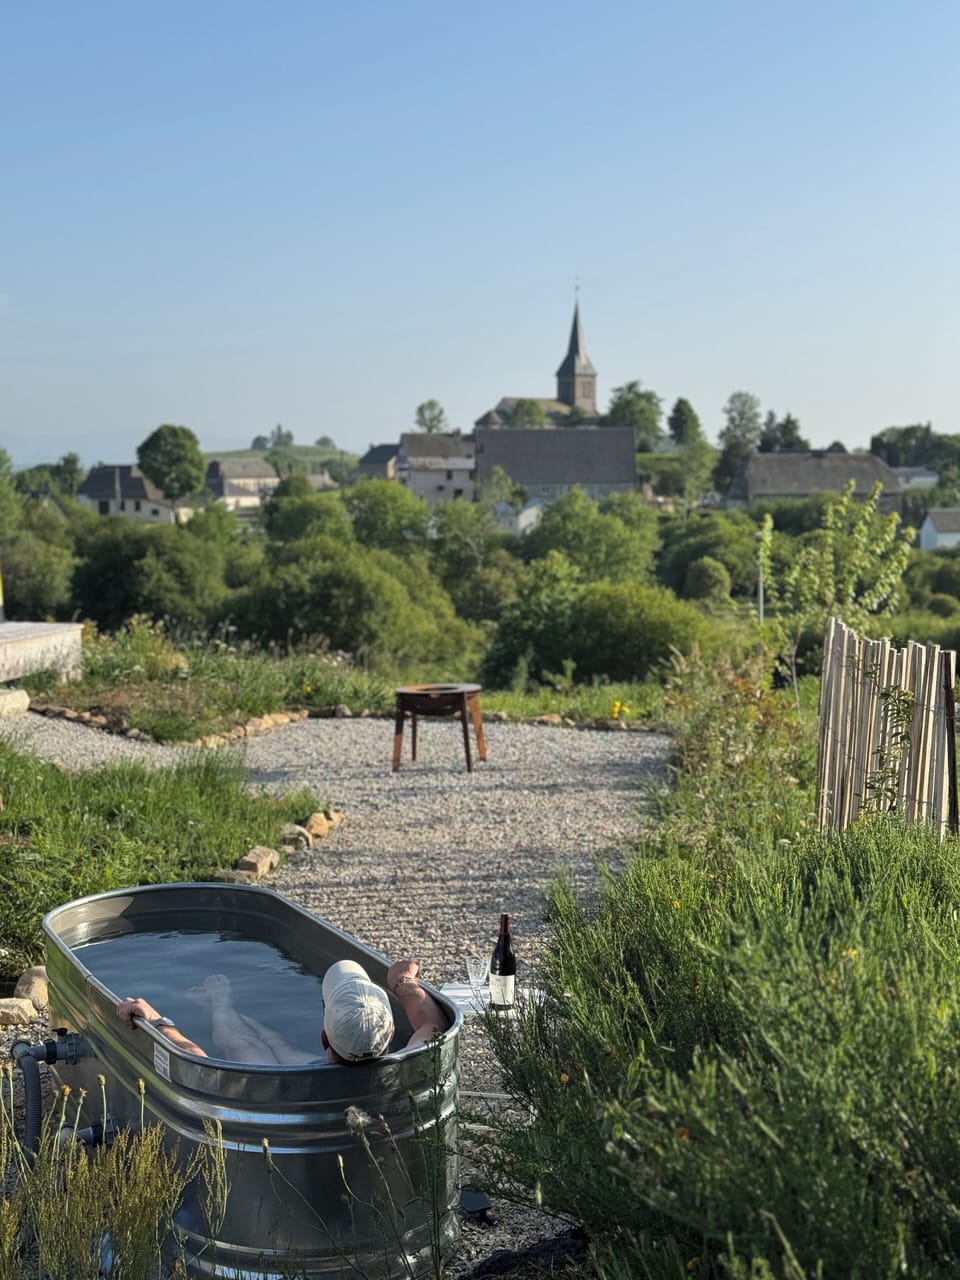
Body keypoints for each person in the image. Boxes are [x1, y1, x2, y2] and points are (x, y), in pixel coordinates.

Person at [116, 957, 448, 1065]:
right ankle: (229, 1010)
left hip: (308, 1080)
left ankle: (222, 1007)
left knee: (245, 1049)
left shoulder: (316, 1067)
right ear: (391, 1032)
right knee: (278, 1047)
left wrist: (158, 1021)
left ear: (323, 1037)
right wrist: (404, 981)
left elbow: (200, 1064)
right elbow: (430, 1025)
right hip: (332, 1073)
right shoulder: (403, 1068)